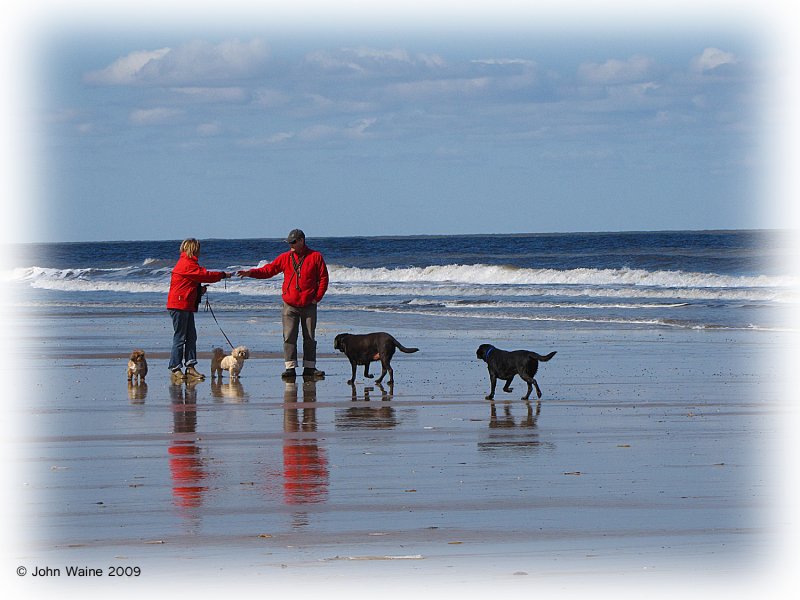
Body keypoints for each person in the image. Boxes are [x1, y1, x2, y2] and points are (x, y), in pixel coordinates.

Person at [238, 229, 329, 380]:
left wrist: (317, 298)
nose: (291, 245)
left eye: (293, 242)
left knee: (310, 337)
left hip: (309, 304)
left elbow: (323, 278)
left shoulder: (315, 256)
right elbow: (269, 270)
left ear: (301, 241)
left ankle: (310, 367)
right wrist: (251, 273)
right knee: (289, 337)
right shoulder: (285, 257)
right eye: (289, 243)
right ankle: (290, 367)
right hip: (290, 304)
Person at [167, 238, 232, 382]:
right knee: (180, 337)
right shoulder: (186, 263)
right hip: (179, 304)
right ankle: (175, 367)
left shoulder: (189, 263)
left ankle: (190, 367)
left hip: (185, 304)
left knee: (191, 336)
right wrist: (222, 275)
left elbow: (190, 282)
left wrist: (199, 290)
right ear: (193, 249)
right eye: (198, 249)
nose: (200, 251)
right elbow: (204, 275)